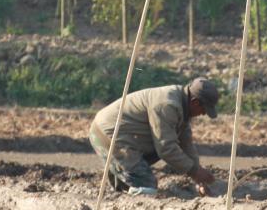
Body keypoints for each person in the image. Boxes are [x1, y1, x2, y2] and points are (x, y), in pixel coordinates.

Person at [88, 78, 219, 196]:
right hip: (109, 134)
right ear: (195, 102)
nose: (202, 114)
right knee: (146, 186)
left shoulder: (183, 105)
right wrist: (194, 171)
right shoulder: (168, 106)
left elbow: (186, 144)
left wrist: (198, 177)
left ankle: (122, 187)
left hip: (121, 135)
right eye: (204, 110)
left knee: (132, 181)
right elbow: (166, 148)